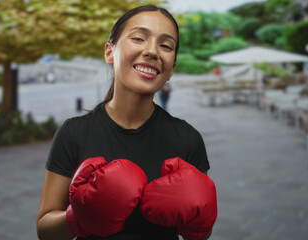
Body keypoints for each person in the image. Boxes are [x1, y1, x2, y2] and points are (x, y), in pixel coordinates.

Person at [36, 5, 217, 240]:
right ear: (109, 52)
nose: (152, 51)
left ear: (171, 68)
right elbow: (45, 231)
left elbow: (202, 234)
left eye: (166, 45)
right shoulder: (73, 132)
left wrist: (198, 222)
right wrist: (77, 217)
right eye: (139, 38)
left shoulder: (188, 139)